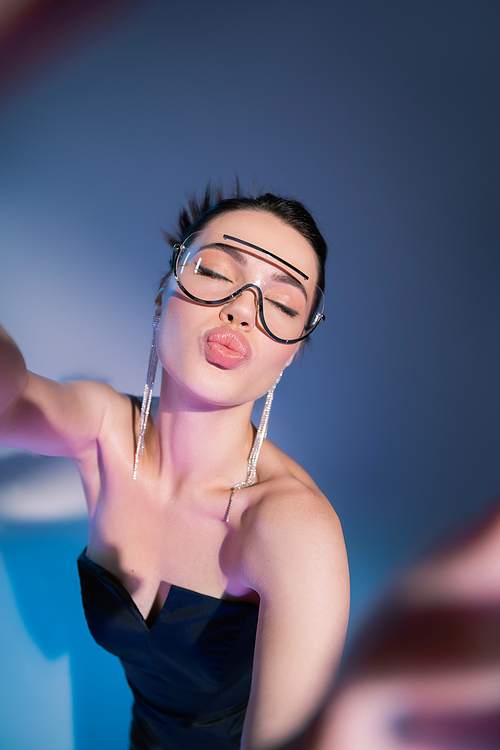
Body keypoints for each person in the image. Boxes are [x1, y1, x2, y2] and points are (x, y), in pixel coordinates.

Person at [0, 186, 349, 750]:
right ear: (165, 291)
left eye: (283, 305)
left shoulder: (293, 530)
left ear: (292, 350)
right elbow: (11, 403)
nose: (242, 308)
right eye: (214, 271)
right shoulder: (103, 429)